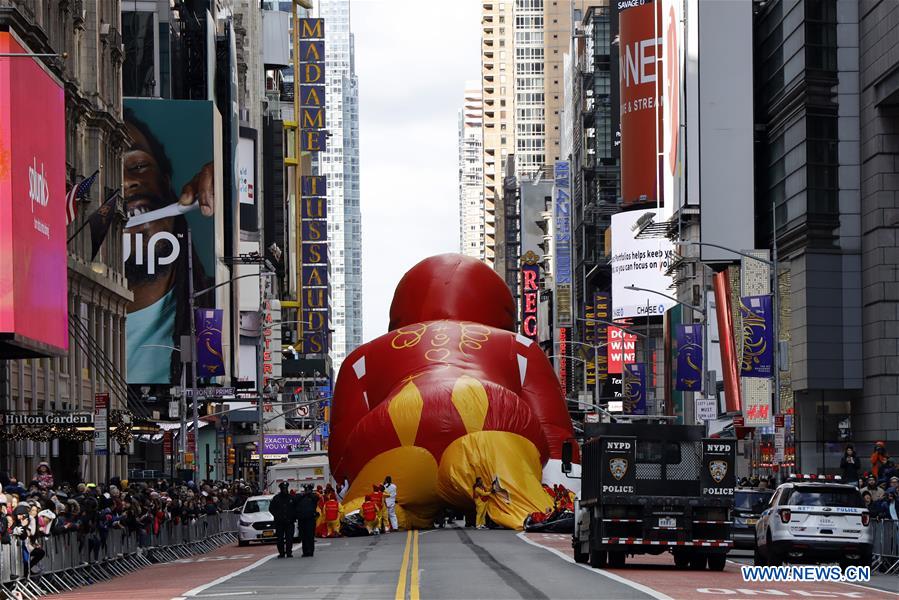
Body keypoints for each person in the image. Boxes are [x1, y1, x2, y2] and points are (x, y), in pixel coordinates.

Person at [122, 108, 215, 385]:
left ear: (166, 182)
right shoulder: (48, 311)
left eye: (137, 166)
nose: (125, 182)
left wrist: (229, 174)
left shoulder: (209, 310)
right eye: (105, 169)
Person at [269, 482, 295, 558]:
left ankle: (289, 552)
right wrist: (277, 516)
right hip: (279, 523)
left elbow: (295, 508)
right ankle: (281, 553)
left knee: (289, 538)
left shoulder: (291, 498)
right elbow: (271, 509)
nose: (284, 490)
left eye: (286, 488)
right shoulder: (276, 498)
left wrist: (293, 516)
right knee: (280, 539)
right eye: (283, 489)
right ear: (280, 489)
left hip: (289, 522)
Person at [294, 485, 318, 557]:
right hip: (302, 520)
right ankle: (305, 551)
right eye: (306, 490)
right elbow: (295, 500)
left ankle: (310, 551)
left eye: (308, 490)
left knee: (310, 536)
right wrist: (303, 495)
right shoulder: (301, 497)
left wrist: (309, 494)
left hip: (310, 520)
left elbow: (316, 499)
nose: (307, 491)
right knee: (303, 537)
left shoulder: (313, 497)